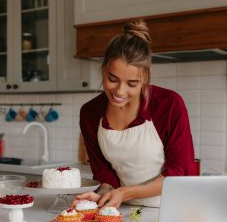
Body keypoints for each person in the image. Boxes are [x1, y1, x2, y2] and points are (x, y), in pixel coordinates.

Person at [73, 19, 196, 209]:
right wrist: (103, 195)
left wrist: (125, 192)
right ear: (103, 69)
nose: (120, 91)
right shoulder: (90, 113)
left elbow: (179, 172)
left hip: (174, 209)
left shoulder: (169, 104)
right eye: (112, 79)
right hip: (124, 210)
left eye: (132, 84)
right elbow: (104, 172)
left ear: (145, 78)